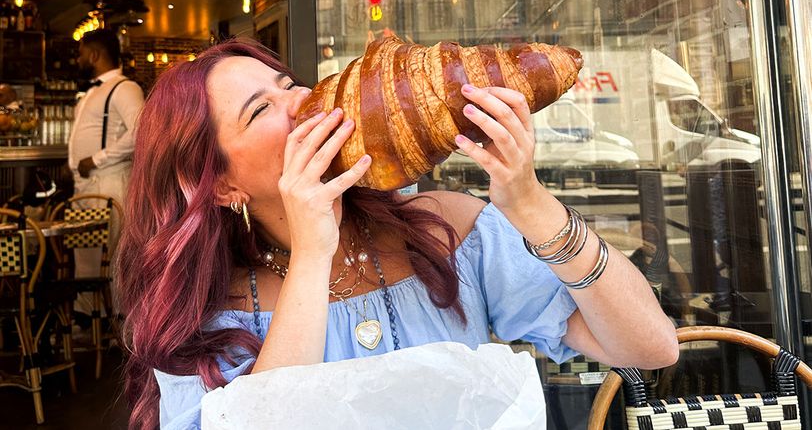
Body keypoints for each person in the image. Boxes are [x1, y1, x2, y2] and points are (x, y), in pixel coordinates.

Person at [117, 38, 678, 430]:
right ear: (220, 186)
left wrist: (532, 207)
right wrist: (314, 254)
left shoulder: (447, 230)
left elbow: (649, 346)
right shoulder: (201, 317)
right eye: (262, 107)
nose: (300, 101)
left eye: (288, 84)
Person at [69, 28, 144, 315]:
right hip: (87, 185)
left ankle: (122, 322)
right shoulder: (93, 91)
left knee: (117, 255)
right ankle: (90, 320)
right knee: (85, 255)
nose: (78, 59)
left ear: (94, 54)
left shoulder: (124, 88)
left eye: (80, 54)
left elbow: (140, 132)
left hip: (110, 181)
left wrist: (97, 158)